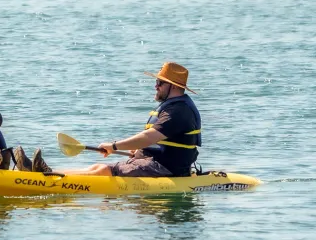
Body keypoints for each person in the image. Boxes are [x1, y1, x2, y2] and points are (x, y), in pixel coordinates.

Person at [27, 62, 202, 177]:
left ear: (172, 85)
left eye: (159, 82)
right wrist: (136, 151)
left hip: (165, 169)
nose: (155, 85)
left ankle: (45, 177)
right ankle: (46, 173)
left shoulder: (178, 111)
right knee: (98, 168)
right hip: (153, 163)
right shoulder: (174, 107)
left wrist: (115, 146)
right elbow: (156, 141)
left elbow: (149, 137)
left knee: (103, 171)